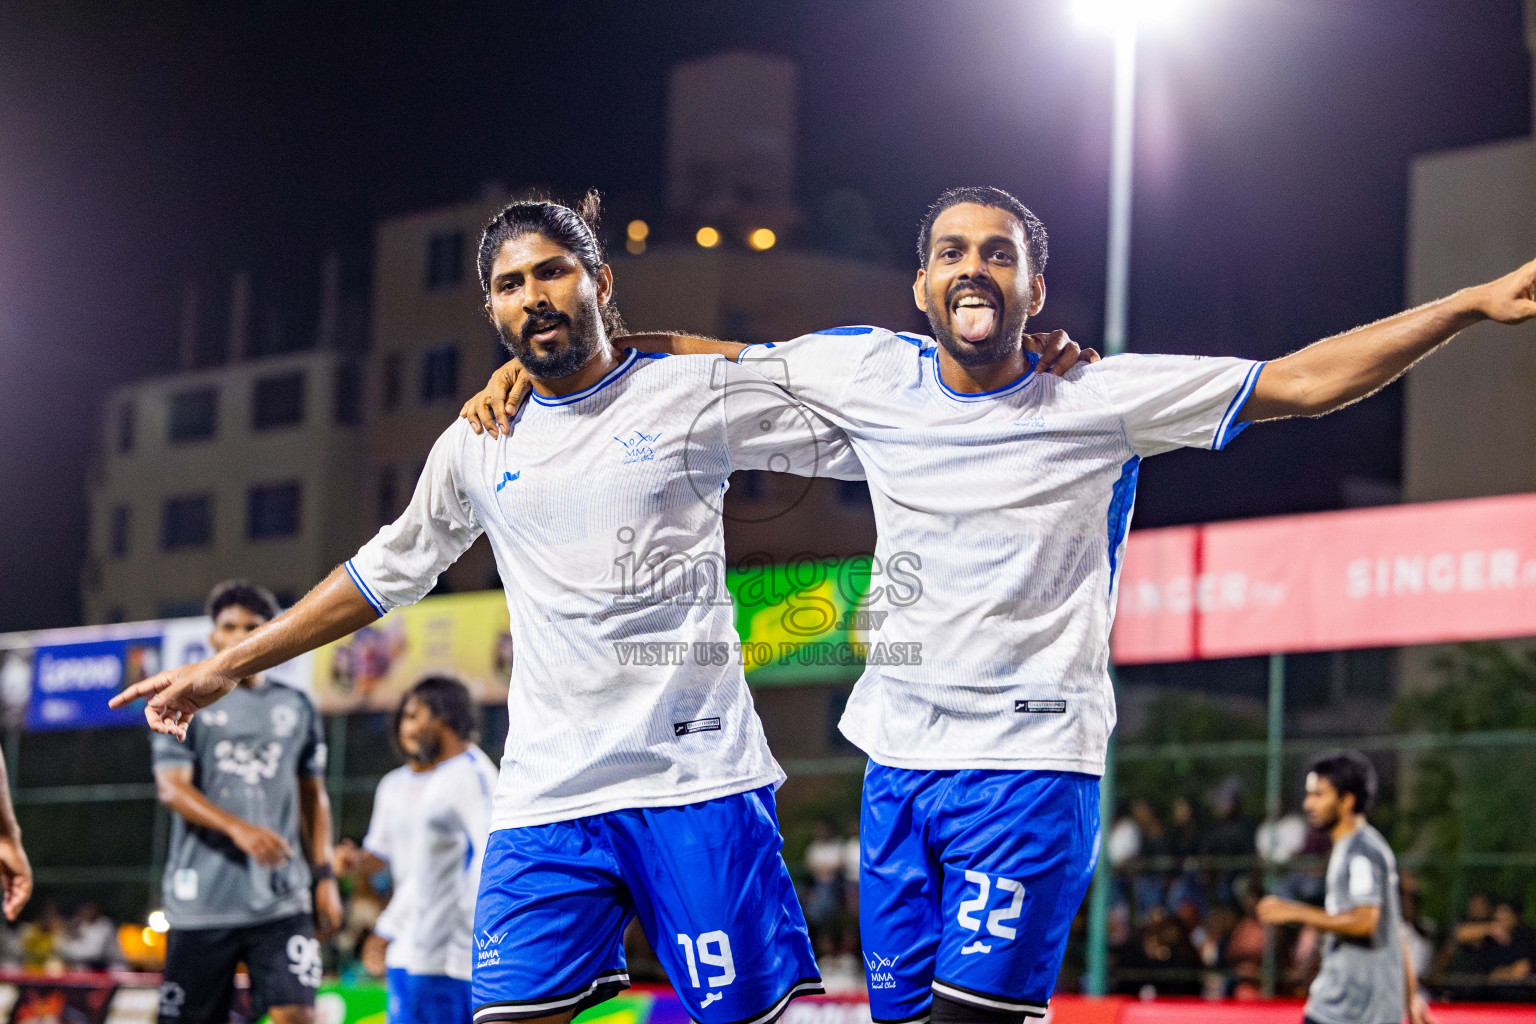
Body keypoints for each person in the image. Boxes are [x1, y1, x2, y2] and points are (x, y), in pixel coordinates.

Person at [464, 185, 1536, 1023]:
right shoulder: (871, 375)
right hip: (896, 773)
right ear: (921, 289)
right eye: (951, 252)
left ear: (1034, 285)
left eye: (999, 252)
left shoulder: (1097, 397)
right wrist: (549, 381)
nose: (973, 267)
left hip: (1028, 773)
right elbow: (715, 363)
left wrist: (1468, 304)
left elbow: (1301, 381)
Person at [112, 193, 892, 1024]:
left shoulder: (686, 394)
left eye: (553, 272)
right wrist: (226, 666)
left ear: (599, 279)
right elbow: (382, 571)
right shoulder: (477, 442)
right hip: (546, 799)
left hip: (694, 781)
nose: (534, 295)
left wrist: (1001, 374)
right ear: (491, 306)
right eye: (511, 283)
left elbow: (843, 401)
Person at [148, 580, 342, 1024]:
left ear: (269, 634)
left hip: (281, 897)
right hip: (202, 902)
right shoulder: (187, 698)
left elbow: (315, 797)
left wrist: (325, 875)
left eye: (252, 627)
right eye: (228, 626)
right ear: (213, 636)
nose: (238, 636)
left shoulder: (297, 706)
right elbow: (171, 788)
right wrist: (239, 828)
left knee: (297, 1014)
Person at [1256, 751, 1429, 1024]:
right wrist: (1412, 999)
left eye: (1319, 795)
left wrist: (1296, 912)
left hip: (1355, 1012)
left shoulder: (1360, 852)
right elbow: (1394, 928)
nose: (1308, 804)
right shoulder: (1350, 847)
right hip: (1340, 1005)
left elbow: (1365, 921)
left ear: (1347, 800)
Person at [333, 687, 440, 1024]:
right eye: (408, 718)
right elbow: (379, 854)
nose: (414, 728)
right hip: (405, 934)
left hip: (454, 934)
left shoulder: (467, 777)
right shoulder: (392, 786)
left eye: (425, 718)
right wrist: (354, 861)